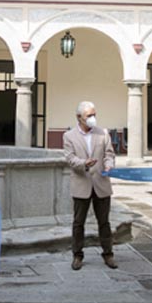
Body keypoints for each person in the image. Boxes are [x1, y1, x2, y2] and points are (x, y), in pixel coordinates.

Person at [63, 101, 117, 271]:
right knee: (78, 222)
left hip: (101, 184)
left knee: (104, 222)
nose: (93, 118)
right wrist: (84, 163)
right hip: (82, 183)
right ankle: (77, 255)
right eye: (89, 116)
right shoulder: (69, 136)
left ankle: (108, 254)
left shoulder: (102, 133)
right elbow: (70, 158)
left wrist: (109, 165)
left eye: (94, 114)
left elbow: (109, 154)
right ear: (79, 118)